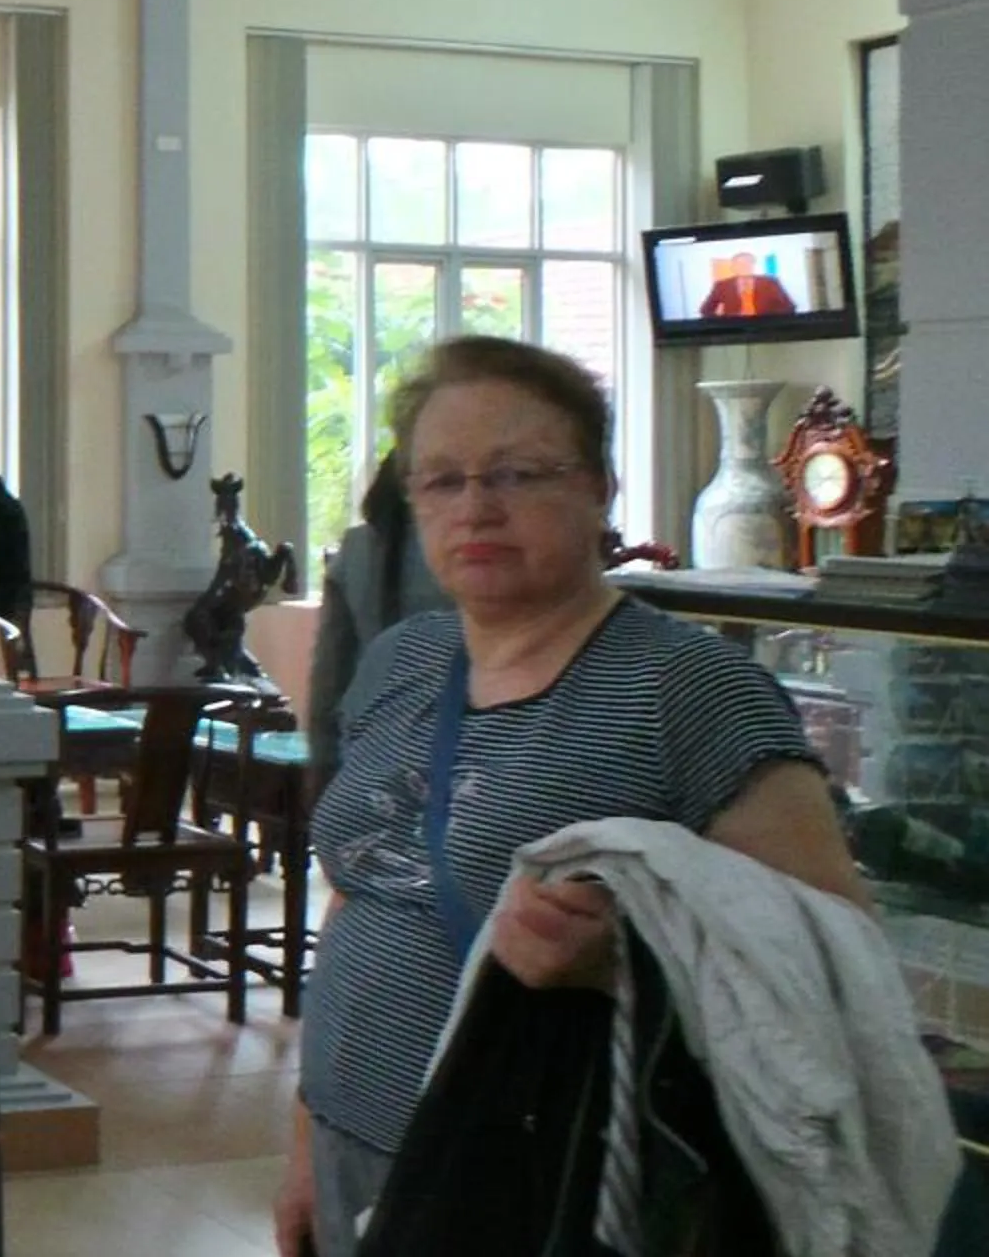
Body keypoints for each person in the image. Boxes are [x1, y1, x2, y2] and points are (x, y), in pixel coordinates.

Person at [275, 336, 868, 1257]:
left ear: (599, 487)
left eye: (518, 473)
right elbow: (361, 897)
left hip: (541, 1172)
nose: (476, 507)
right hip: (355, 1136)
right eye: (442, 481)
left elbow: (832, 951)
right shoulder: (405, 661)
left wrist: (627, 960)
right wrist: (306, 1139)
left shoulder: (687, 689)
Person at [304, 448, 451, 795]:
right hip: (457, 733)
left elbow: (329, 672)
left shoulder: (355, 549)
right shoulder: (466, 549)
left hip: (369, 733)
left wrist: (321, 759)